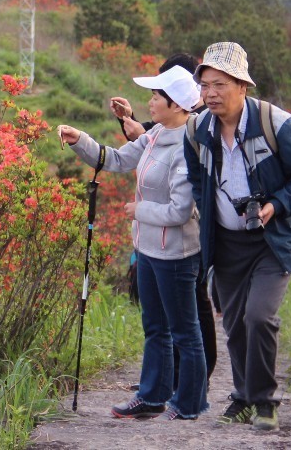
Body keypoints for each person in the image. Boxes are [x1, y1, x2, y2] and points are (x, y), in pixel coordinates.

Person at [183, 42, 291, 432]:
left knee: (259, 316)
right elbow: (197, 179)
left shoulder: (275, 124)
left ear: (243, 86)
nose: (210, 93)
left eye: (220, 84)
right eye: (205, 85)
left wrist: (275, 205)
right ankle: (244, 396)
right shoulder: (197, 129)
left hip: (273, 239)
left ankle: (264, 401)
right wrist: (207, 209)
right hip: (226, 241)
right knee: (235, 324)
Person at [57, 65, 209, 421]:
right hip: (148, 249)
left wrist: (139, 210)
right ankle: (152, 396)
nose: (150, 102)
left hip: (176, 254)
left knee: (185, 331)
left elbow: (180, 211)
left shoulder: (187, 146)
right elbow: (116, 158)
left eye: (156, 97)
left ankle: (189, 404)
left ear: (175, 105)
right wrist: (80, 140)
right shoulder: (155, 136)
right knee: (154, 327)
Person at [109, 54, 218, 384]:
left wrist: (139, 210)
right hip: (166, 234)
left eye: (160, 92)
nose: (156, 96)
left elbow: (169, 145)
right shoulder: (180, 120)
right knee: (172, 311)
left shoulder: (201, 122)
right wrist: (135, 125)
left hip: (190, 232)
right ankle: (170, 377)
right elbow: (157, 137)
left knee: (192, 307)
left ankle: (193, 377)